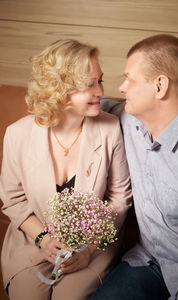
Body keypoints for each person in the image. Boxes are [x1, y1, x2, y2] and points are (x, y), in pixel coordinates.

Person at [0, 39, 132, 300]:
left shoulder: (110, 128)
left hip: (93, 247)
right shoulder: (17, 134)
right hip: (31, 243)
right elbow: (13, 200)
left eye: (100, 80)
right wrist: (45, 240)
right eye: (89, 84)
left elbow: (119, 200)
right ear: (58, 90)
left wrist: (89, 249)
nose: (101, 91)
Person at [89, 34, 178, 300]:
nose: (122, 87)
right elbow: (91, 104)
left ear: (160, 86)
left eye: (130, 78)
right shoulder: (127, 119)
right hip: (145, 261)